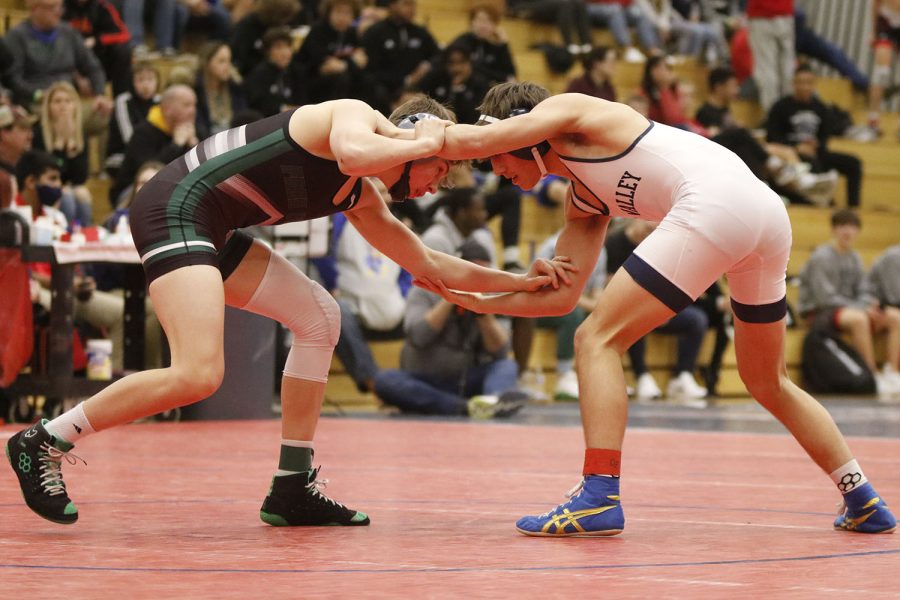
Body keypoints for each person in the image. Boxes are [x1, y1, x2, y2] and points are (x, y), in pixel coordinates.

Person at [6, 95, 566, 528]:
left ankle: (291, 485)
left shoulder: (361, 197)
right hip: (174, 208)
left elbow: (432, 266)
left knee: (321, 317)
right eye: (439, 172)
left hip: (213, 224)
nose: (433, 186)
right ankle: (44, 440)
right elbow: (353, 152)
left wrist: (520, 281)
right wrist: (425, 143)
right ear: (416, 137)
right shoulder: (352, 116)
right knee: (198, 372)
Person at [432, 81, 896, 536]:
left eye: (496, 156)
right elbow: (562, 297)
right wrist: (477, 299)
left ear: (521, 131)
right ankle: (862, 498)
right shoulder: (585, 202)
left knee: (596, 340)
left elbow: (479, 138)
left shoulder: (577, 112)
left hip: (717, 205)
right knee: (766, 379)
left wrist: (411, 136)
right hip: (763, 216)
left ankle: (599, 494)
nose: (494, 168)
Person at [373, 238, 528, 418]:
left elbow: (500, 351)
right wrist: (451, 297)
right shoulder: (424, 288)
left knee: (506, 366)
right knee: (385, 381)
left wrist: (482, 310)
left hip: (468, 381)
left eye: (484, 273)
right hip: (424, 381)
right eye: (474, 273)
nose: (478, 281)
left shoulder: (492, 295)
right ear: (458, 269)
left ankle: (492, 401)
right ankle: (465, 407)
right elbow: (418, 336)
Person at [797, 209, 900, 398]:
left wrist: (869, 307)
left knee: (894, 317)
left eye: (852, 227)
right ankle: (872, 374)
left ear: (858, 231)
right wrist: (862, 309)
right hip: (820, 313)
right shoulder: (822, 257)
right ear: (834, 230)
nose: (847, 232)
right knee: (859, 319)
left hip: (848, 310)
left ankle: (893, 372)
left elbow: (864, 291)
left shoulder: (855, 257)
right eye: (842, 226)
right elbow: (825, 298)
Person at [604, 219, 709, 405]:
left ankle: (683, 374)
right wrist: (650, 310)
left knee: (697, 319)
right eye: (646, 229)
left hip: (656, 307)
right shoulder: (614, 242)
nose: (647, 235)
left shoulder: (657, 245)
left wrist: (663, 309)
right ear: (637, 219)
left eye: (653, 232)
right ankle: (642, 375)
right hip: (630, 308)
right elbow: (611, 287)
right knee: (634, 318)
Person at [766, 64, 864, 208]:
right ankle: (822, 201)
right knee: (810, 161)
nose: (805, 87)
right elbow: (772, 137)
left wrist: (817, 145)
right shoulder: (780, 107)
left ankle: (853, 208)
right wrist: (797, 147)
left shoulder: (821, 107)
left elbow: (825, 136)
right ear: (793, 84)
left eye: (809, 83)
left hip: (816, 153)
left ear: (814, 85)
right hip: (791, 157)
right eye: (801, 82)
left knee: (854, 163)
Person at [109, 84, 199, 207]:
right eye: (187, 105)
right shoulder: (144, 132)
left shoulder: (191, 130)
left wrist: (194, 146)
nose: (193, 111)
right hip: (131, 190)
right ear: (167, 109)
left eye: (194, 105)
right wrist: (176, 145)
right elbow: (148, 172)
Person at [447, 3, 517, 86]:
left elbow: (510, 75)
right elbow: (471, 69)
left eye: (488, 21)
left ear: (495, 25)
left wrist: (503, 45)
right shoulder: (462, 41)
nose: (483, 25)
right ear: (472, 22)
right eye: (479, 20)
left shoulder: (497, 46)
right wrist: (496, 77)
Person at [868, 0, 900, 137]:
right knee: (882, 72)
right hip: (886, 23)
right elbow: (875, 5)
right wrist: (873, 31)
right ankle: (873, 119)